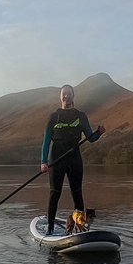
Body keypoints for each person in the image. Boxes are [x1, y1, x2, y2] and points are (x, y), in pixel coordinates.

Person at [40, 84, 106, 235]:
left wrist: (100, 133)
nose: (66, 96)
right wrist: (44, 162)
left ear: (73, 96)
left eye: (69, 94)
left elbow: (90, 138)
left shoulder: (81, 116)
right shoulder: (53, 117)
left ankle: (80, 228)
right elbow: (46, 141)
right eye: (64, 94)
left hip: (74, 159)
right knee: (54, 194)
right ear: (60, 96)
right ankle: (50, 230)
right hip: (57, 159)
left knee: (77, 194)